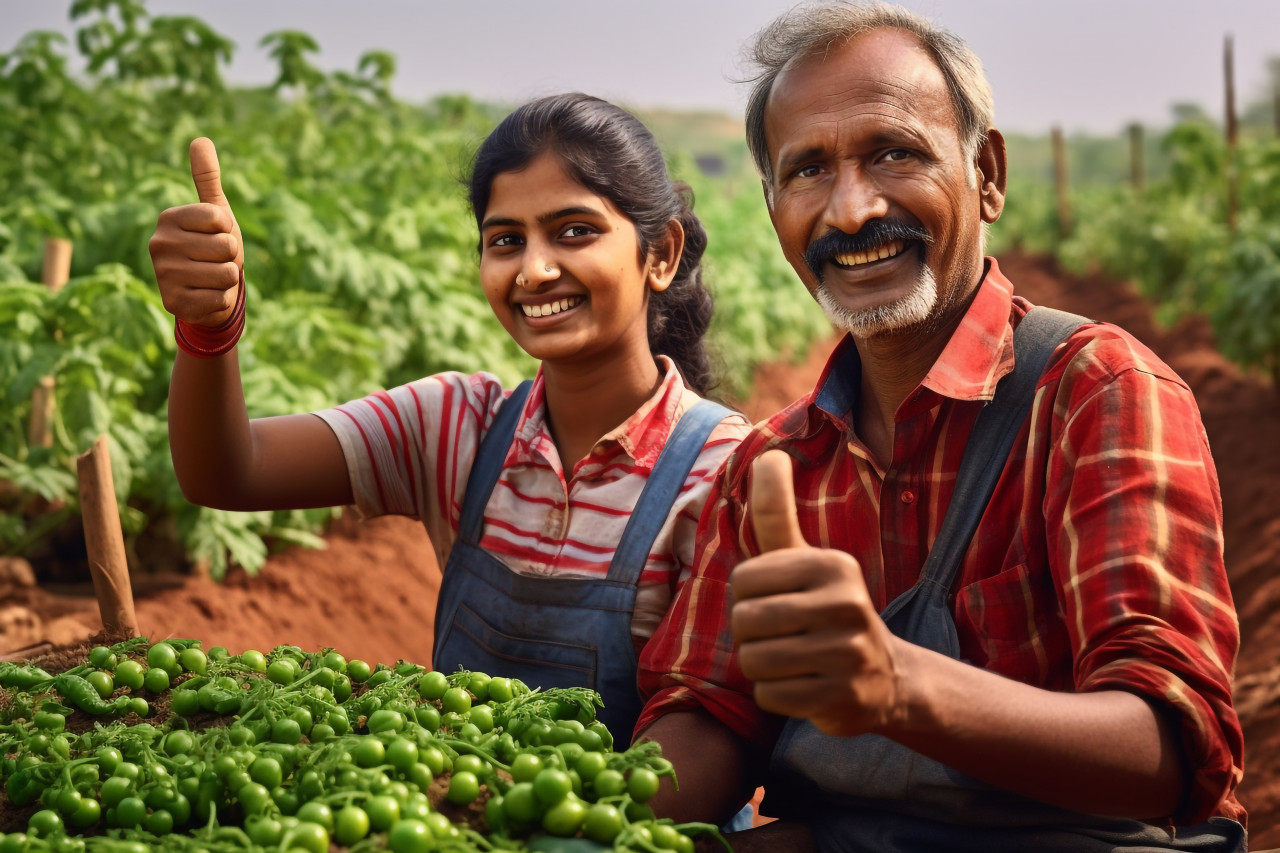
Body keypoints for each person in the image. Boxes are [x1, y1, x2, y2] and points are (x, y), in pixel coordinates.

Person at [633, 3, 1247, 851]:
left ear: (986, 172)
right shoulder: (775, 464)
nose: (851, 211)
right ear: (773, 208)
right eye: (808, 170)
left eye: (894, 152)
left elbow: (1170, 749)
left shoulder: (1094, 394)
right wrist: (589, 813)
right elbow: (708, 707)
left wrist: (895, 684)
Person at [147, 92, 752, 742]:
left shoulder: (724, 469)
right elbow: (227, 472)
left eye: (575, 231)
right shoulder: (460, 427)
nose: (535, 270)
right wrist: (209, 329)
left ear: (660, 254)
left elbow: (711, 726)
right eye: (506, 240)